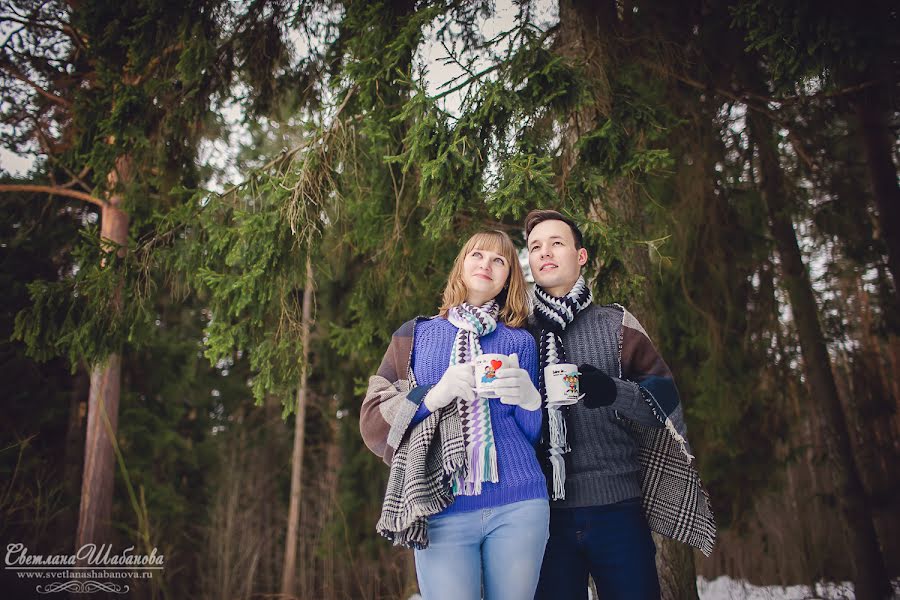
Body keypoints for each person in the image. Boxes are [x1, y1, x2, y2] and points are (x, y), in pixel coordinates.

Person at [524, 210, 716, 600]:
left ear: (581, 256)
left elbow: (665, 405)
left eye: (556, 243)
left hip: (618, 512)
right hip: (542, 518)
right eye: (534, 247)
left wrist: (612, 391)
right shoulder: (519, 333)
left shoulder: (618, 323)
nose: (544, 252)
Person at [360, 230, 550, 600]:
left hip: (519, 502)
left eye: (500, 261)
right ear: (461, 266)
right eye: (477, 255)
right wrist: (432, 397)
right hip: (441, 503)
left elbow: (530, 436)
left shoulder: (521, 341)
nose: (487, 265)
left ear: (509, 277)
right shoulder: (415, 336)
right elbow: (373, 416)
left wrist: (530, 402)